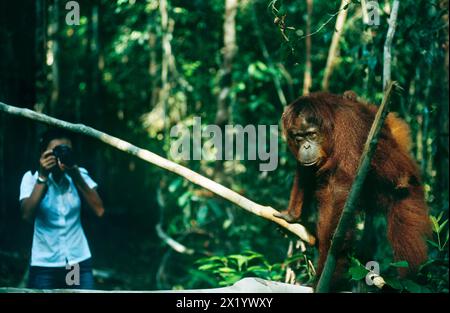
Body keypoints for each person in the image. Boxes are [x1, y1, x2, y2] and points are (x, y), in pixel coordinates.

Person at [19, 129, 105, 290]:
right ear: (43, 153)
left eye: (66, 151)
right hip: (45, 265)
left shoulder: (79, 175)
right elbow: (26, 214)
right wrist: (43, 177)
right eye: (56, 151)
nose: (61, 156)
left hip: (74, 262)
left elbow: (99, 210)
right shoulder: (31, 178)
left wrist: (75, 174)